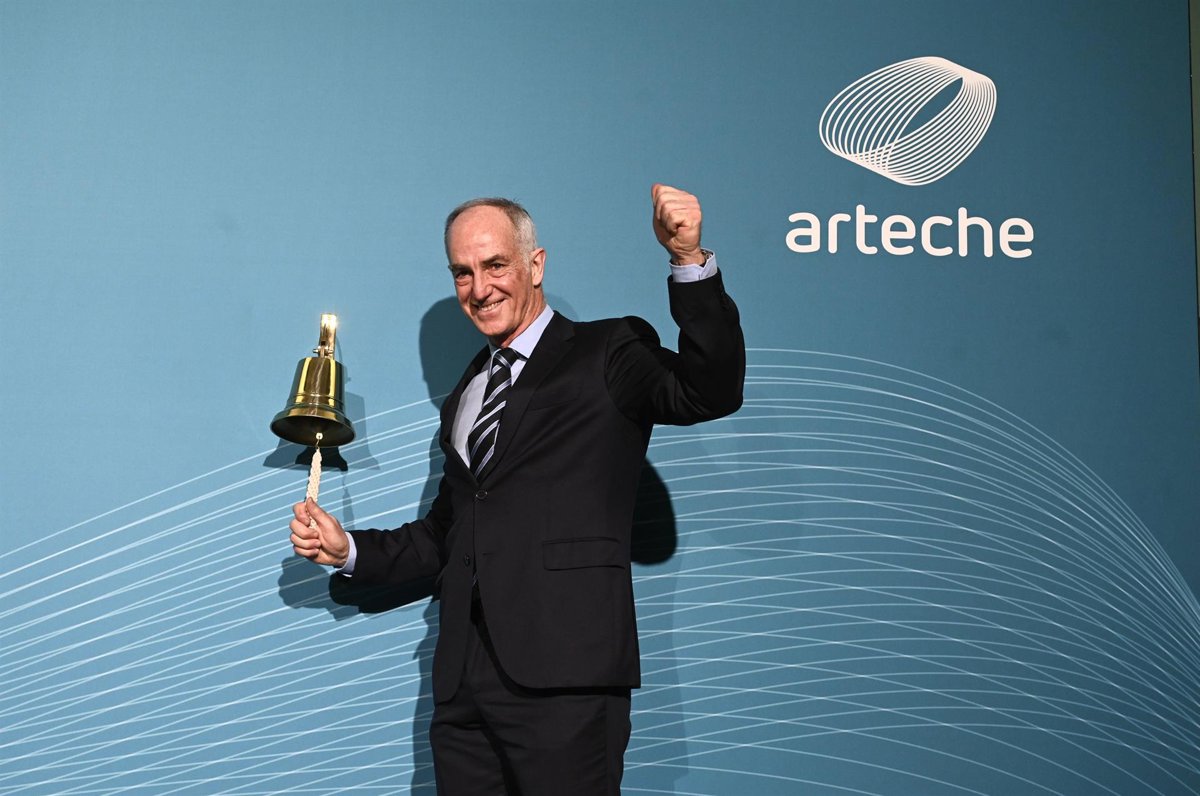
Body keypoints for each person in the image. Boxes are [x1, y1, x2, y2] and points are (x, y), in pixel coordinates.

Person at [289, 184, 745, 795]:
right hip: (463, 685)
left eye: (495, 265)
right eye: (463, 272)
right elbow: (448, 534)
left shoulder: (608, 350)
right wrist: (348, 550)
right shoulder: (467, 393)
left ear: (536, 265)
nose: (479, 289)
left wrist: (688, 261)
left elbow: (709, 390)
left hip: (567, 677)